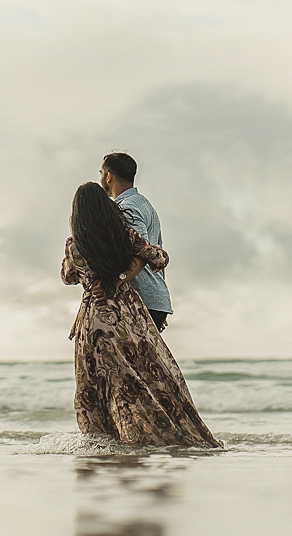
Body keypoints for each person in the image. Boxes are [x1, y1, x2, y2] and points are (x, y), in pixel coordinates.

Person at [61, 182, 221, 448]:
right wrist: (123, 273)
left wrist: (88, 275)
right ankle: (152, 435)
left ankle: (103, 441)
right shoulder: (122, 235)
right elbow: (159, 257)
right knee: (138, 377)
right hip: (126, 315)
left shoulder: (73, 245)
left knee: (96, 382)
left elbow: (68, 277)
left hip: (92, 319)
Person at [99, 153, 172, 333]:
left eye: (101, 172)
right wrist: (157, 302)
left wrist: (116, 282)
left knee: (123, 360)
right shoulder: (145, 205)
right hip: (152, 300)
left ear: (109, 176)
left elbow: (143, 253)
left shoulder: (127, 208)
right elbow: (157, 253)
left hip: (141, 300)